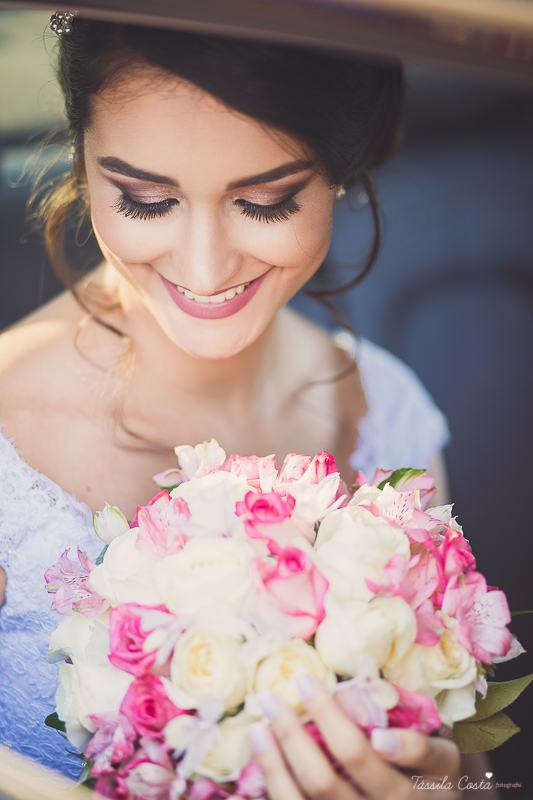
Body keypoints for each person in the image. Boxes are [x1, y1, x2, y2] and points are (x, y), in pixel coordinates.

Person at [0, 17, 495, 799]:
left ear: (339, 168)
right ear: (82, 156)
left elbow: (464, 762)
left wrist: (447, 784)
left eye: (264, 203)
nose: (203, 267)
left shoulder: (385, 411)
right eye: (144, 198)